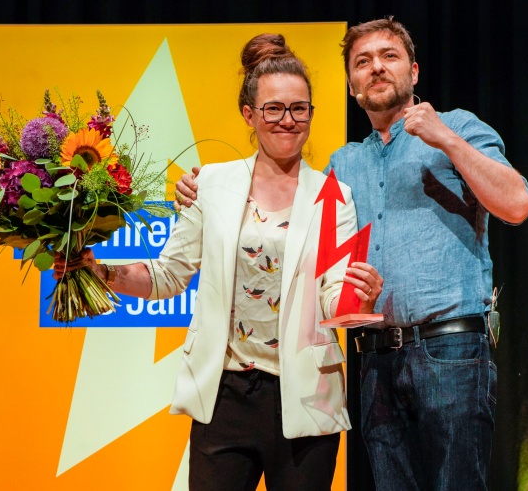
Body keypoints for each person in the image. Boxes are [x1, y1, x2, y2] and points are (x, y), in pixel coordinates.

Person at [175, 17, 528, 491]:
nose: (376, 68)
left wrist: (444, 137)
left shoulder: (459, 127)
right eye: (362, 62)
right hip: (376, 359)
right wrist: (199, 190)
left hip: (451, 351)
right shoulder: (344, 165)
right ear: (351, 84)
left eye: (389, 56)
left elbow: (518, 204)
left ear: (415, 71)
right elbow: (283, 205)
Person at [55, 33, 382, 491]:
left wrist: (354, 296)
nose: (287, 121)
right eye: (273, 108)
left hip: (307, 398)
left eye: (299, 108)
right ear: (249, 114)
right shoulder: (209, 184)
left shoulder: (334, 197)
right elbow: (168, 276)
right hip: (224, 399)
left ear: (310, 113)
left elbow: (331, 298)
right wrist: (100, 271)